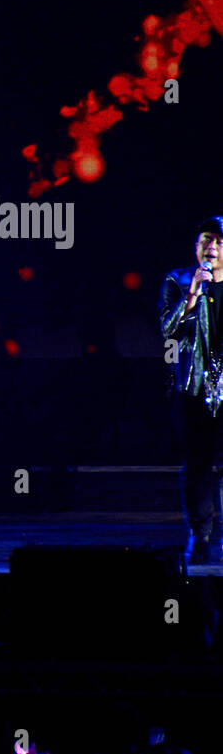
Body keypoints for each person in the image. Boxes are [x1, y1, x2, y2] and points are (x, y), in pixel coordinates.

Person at [160, 215, 223, 566]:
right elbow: (169, 332)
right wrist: (193, 294)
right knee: (198, 465)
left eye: (218, 241)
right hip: (193, 388)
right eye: (206, 240)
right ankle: (200, 535)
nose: (211, 247)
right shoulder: (177, 280)